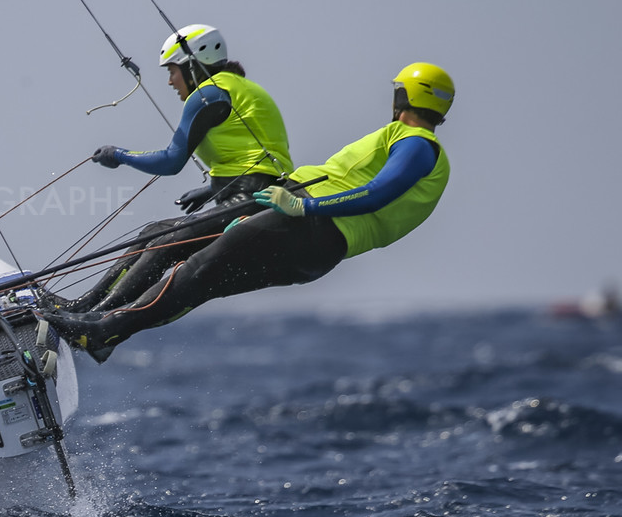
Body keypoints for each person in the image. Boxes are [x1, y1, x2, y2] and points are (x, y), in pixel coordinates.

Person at [45, 62, 454, 362]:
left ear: (404, 95)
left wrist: (302, 205)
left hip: (306, 225)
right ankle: (102, 330)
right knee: (196, 274)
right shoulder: (414, 143)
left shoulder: (418, 143)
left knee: (191, 261)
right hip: (314, 243)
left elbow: (376, 193)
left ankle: (99, 326)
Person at [76, 24, 293, 315]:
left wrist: (119, 155)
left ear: (192, 64)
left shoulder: (208, 94)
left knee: (166, 242)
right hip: (255, 189)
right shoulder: (239, 87)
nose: (170, 82)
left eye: (172, 71)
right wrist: (212, 188)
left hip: (253, 198)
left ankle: (95, 315)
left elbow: (171, 161)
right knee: (152, 232)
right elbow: (250, 155)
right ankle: (85, 304)